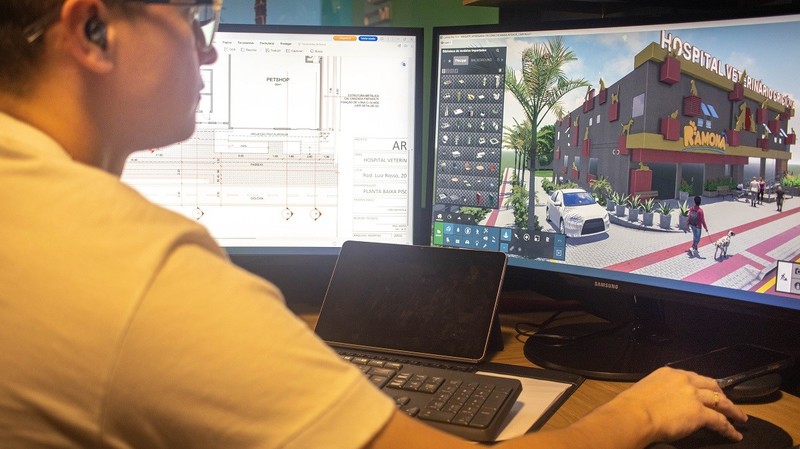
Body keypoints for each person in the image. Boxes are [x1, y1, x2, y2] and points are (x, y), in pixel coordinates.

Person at [0, 1, 748, 448]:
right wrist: (640, 412)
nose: (211, 48)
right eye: (194, 16)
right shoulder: (136, 272)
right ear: (91, 28)